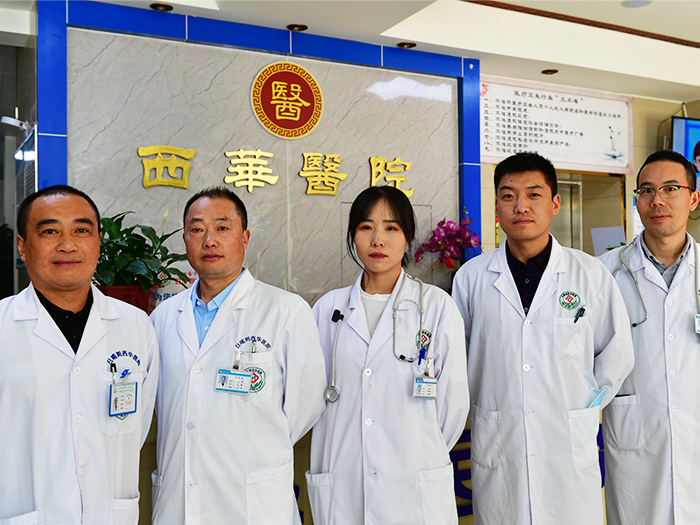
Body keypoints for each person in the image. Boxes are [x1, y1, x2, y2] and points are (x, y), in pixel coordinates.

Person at [451, 152, 634, 525]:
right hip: (500, 446)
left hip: (567, 446)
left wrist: (583, 406)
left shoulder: (589, 274)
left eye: (534, 194)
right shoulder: (471, 278)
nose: (521, 206)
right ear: (496, 207)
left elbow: (616, 353)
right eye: (508, 196)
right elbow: (458, 358)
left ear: (555, 203)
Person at [150, 187, 326, 525]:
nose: (209, 240)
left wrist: (254, 441)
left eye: (222, 228)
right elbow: (161, 405)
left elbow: (306, 404)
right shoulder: (163, 317)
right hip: (179, 500)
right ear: (185, 239)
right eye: (197, 229)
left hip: (252, 502)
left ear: (244, 238)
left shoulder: (285, 311)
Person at [307, 185, 469, 524]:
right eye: (366, 227)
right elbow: (308, 399)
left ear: (407, 237)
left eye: (391, 228)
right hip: (344, 479)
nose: (377, 239)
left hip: (413, 481)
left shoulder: (436, 307)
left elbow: (452, 406)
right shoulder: (327, 310)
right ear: (353, 236)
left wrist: (415, 447)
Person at [0, 185, 159, 524]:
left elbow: (137, 426)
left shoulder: (135, 325)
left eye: (81, 231)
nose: (68, 245)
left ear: (98, 242)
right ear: (23, 247)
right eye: (50, 231)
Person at [599, 150, 700, 524]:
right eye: (646, 190)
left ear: (693, 198)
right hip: (635, 444)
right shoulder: (604, 274)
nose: (657, 200)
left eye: (671, 188)